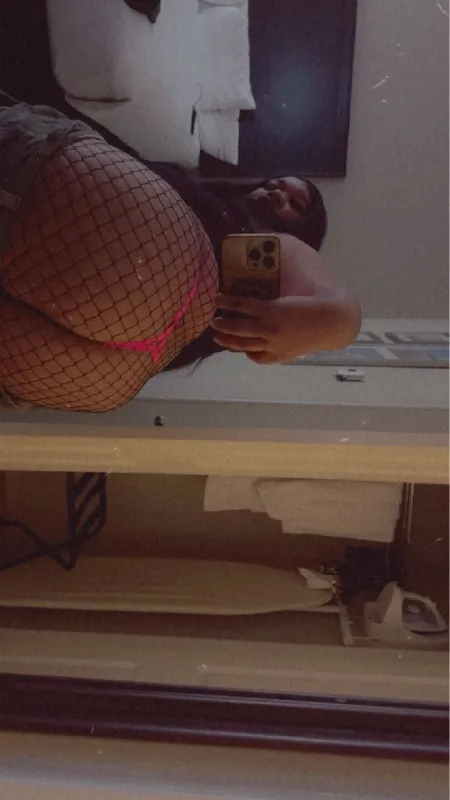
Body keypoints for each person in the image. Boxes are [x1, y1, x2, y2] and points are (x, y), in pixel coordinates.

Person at [0, 93, 361, 413]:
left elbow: (340, 307)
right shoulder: (212, 203)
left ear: (304, 235)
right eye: (278, 184)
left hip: (125, 286)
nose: (278, 193)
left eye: (295, 204)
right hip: (106, 374)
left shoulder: (279, 248)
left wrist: (334, 323)